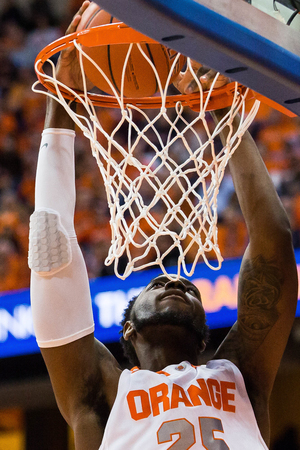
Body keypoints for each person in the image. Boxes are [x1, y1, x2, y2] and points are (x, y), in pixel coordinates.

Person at [29, 2, 298, 449]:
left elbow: (274, 242)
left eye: (184, 289)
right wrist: (62, 107)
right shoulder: (102, 393)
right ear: (128, 331)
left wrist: (227, 116)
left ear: (204, 332)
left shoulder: (241, 376)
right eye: (163, 284)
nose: (178, 280)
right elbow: (48, 252)